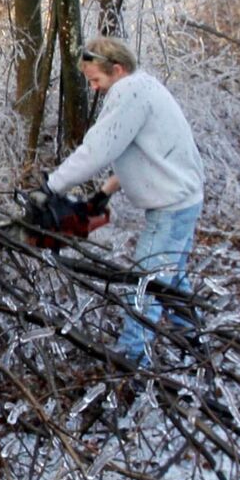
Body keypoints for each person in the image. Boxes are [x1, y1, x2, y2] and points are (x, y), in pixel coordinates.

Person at [43, 35, 205, 368]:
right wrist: (105, 191)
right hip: (185, 199)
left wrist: (52, 186)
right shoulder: (145, 88)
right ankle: (192, 341)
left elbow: (97, 150)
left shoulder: (128, 93)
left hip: (171, 208)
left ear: (116, 70)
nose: (96, 88)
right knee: (170, 278)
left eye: (96, 80)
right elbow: (146, 150)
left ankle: (132, 362)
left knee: (144, 284)